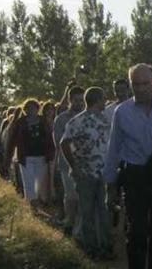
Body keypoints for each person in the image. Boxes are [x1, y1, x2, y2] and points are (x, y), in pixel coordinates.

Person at [104, 63, 152, 269]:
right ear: (131, 85)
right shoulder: (122, 112)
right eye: (136, 84)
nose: (141, 88)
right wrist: (110, 187)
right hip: (134, 176)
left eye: (146, 83)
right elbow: (113, 149)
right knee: (136, 230)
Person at [60, 87, 114, 260]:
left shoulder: (106, 120)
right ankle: (91, 249)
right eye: (103, 98)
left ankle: (106, 247)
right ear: (96, 100)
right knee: (87, 212)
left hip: (104, 173)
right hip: (85, 174)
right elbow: (64, 143)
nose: (105, 101)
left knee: (104, 212)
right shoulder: (77, 121)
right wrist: (74, 166)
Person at [7, 98, 55, 207]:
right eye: (28, 108)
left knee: (41, 183)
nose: (31, 110)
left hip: (42, 156)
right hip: (26, 157)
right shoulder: (20, 123)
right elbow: (12, 140)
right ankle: (31, 205)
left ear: (38, 109)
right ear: (25, 110)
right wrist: (9, 156)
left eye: (33, 108)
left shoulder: (43, 121)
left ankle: (41, 203)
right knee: (29, 182)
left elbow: (50, 138)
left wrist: (51, 153)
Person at [55, 85, 86, 234]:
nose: (79, 103)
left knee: (82, 197)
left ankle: (79, 229)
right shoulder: (61, 119)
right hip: (67, 163)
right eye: (76, 100)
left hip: (86, 164)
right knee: (71, 196)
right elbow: (60, 142)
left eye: (82, 100)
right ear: (69, 100)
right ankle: (69, 221)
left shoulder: (88, 118)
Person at [39, 100, 58, 204]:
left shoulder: (56, 121)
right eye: (48, 109)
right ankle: (44, 197)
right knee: (44, 175)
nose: (50, 111)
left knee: (52, 174)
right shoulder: (41, 122)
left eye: (52, 109)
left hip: (53, 150)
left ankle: (52, 195)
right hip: (44, 151)